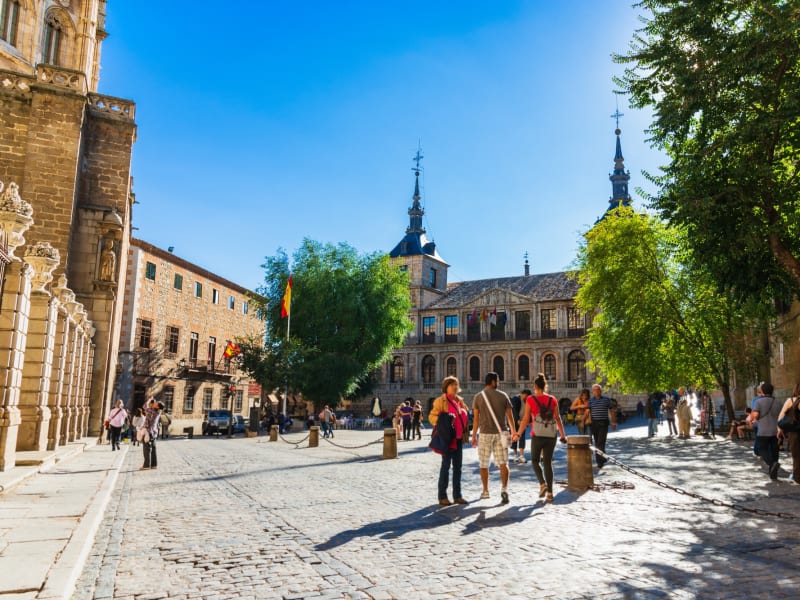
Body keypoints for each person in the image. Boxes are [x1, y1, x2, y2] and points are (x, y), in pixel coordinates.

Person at [513, 373, 567, 503]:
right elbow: (558, 418)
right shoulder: (552, 399)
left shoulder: (531, 399)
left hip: (537, 435)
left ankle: (542, 484)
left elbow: (526, 419)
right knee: (547, 463)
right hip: (551, 435)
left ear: (535, 386)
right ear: (545, 386)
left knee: (535, 461)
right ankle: (550, 493)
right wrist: (563, 435)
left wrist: (518, 434)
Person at [471, 372, 515, 504]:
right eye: (498, 380)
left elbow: (476, 419)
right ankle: (504, 489)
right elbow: (510, 416)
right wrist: (513, 432)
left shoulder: (478, 397)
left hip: (484, 433)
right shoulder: (503, 396)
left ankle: (485, 491)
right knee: (504, 463)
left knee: (483, 464)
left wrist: (473, 435)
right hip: (502, 433)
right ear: (493, 382)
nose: (499, 383)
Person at [429, 376, 469, 506]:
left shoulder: (460, 401)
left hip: (458, 439)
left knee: (458, 468)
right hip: (447, 439)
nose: (455, 387)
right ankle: (442, 496)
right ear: (446, 386)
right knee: (445, 467)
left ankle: (457, 495)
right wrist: (443, 424)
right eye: (452, 385)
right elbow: (432, 417)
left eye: (456, 385)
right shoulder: (440, 401)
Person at [751, 382, 782, 480]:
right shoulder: (778, 402)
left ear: (763, 391)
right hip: (776, 431)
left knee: (762, 449)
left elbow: (755, 416)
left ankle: (772, 464)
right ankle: (773, 474)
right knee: (775, 451)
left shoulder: (759, 402)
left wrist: (754, 420)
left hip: (763, 430)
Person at [588, 384, 617, 469]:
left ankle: (599, 462)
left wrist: (613, 422)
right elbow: (587, 411)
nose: (596, 391)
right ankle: (603, 457)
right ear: (592, 392)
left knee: (600, 442)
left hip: (604, 423)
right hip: (594, 424)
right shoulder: (590, 401)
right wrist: (583, 421)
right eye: (595, 390)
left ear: (601, 391)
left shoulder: (607, 400)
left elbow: (612, 411)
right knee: (598, 442)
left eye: (598, 390)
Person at [777, 384, 800, 484]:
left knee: (796, 456)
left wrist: (779, 430)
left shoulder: (790, 400)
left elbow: (780, 418)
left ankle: (798, 477)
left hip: (794, 433)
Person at [140, 399, 162, 470]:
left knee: (146, 449)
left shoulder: (151, 411)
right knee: (153, 449)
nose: (155, 403)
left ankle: (146, 466)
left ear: (157, 407)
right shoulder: (157, 412)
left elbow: (144, 406)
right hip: (154, 432)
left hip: (148, 432)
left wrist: (149, 400)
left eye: (156, 403)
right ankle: (154, 465)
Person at [510, 391, 529, 463]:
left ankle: (521, 455)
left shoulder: (526, 400)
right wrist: (517, 419)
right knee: (514, 437)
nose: (527, 398)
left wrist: (526, 421)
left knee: (522, 438)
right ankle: (515, 455)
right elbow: (513, 410)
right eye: (526, 396)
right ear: (523, 394)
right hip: (514, 422)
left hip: (522, 422)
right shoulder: (516, 399)